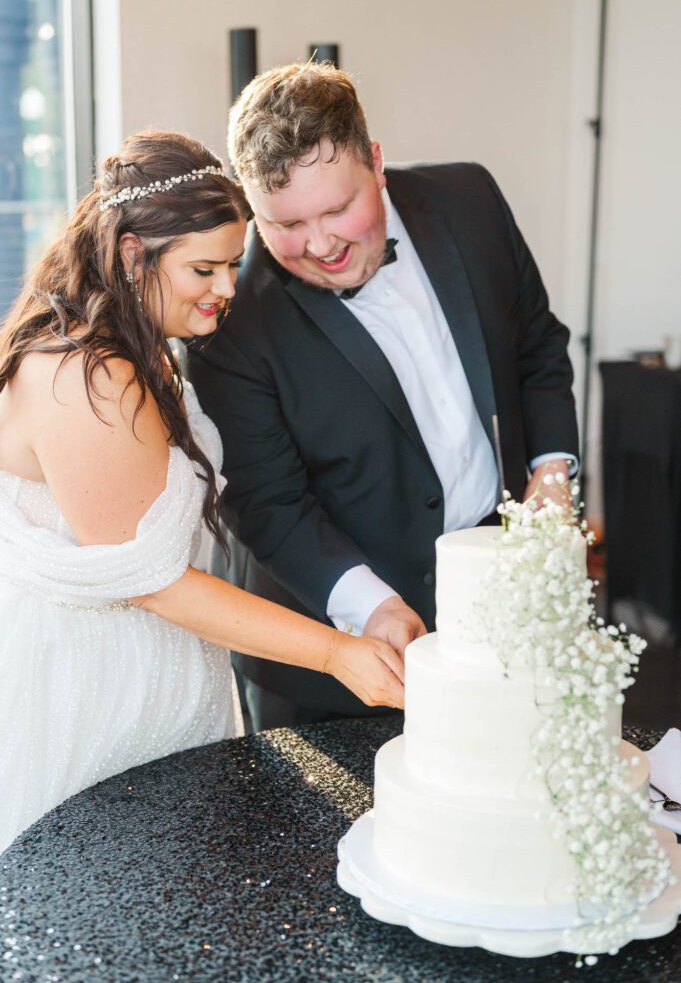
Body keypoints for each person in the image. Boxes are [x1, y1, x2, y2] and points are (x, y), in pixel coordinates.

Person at [0, 130, 404, 855]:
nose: (226, 287)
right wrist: (337, 652)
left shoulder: (139, 344)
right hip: (90, 693)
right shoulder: (84, 374)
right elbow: (153, 581)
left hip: (161, 670)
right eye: (205, 268)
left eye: (233, 264)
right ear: (132, 254)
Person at [187, 63, 579, 731]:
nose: (320, 245)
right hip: (329, 673)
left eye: (338, 208)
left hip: (499, 614)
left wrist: (550, 469)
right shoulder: (229, 320)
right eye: (285, 223)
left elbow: (536, 347)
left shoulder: (470, 200)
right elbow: (269, 504)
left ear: (375, 160)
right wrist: (369, 607)